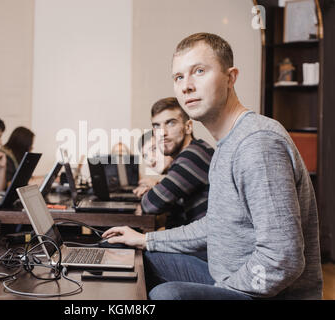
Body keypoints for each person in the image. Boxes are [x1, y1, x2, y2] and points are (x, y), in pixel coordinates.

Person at [102, 33, 322, 300]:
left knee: (168, 295)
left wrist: (219, 292)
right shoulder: (225, 145)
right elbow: (214, 226)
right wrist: (145, 240)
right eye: (178, 77)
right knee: (128, 256)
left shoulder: (257, 143)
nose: (186, 86)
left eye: (199, 71)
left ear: (231, 77)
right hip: (226, 276)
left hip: (259, 293)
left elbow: (282, 259)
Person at [138, 97, 214, 229]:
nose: (163, 133)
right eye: (157, 126)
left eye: (171, 123)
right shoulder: (192, 152)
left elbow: (151, 204)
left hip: (207, 246)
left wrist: (152, 194)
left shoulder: (193, 156)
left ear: (188, 127)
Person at [133, 129, 173, 198]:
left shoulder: (186, 167)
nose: (150, 159)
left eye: (154, 149)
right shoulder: (172, 177)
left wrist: (156, 187)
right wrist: (156, 185)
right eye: (145, 156)